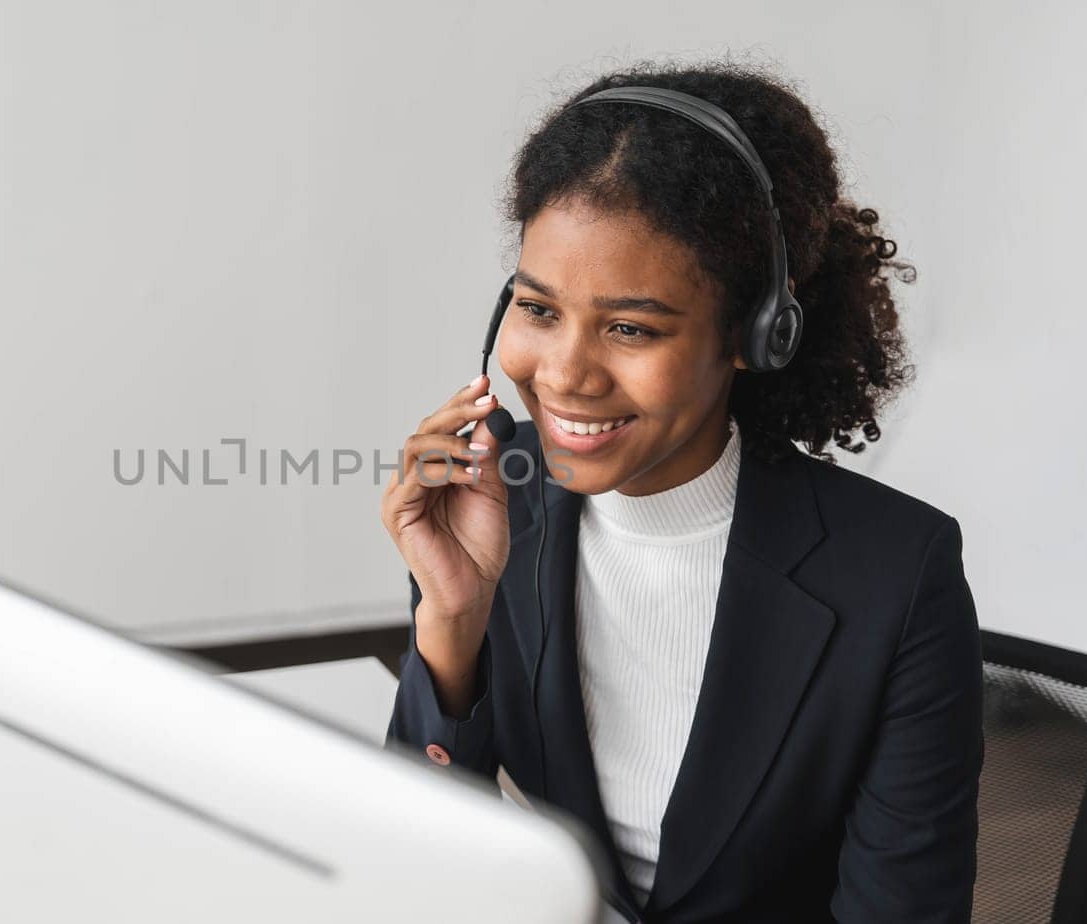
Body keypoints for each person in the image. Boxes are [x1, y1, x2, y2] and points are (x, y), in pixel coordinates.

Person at [378, 61, 982, 923]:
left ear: (755, 335)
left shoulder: (896, 572)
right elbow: (417, 866)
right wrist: (450, 623)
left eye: (630, 328)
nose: (564, 375)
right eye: (539, 309)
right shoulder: (488, 499)